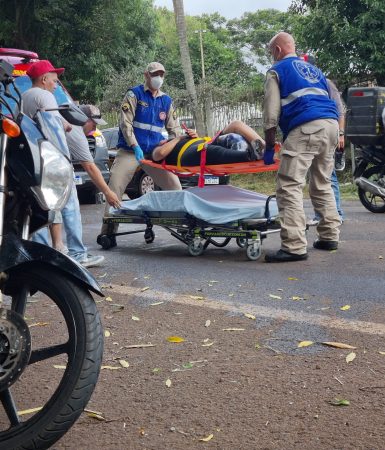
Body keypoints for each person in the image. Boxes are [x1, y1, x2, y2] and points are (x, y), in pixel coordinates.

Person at [262, 32, 341, 263]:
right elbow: (331, 99)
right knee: (322, 182)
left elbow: (270, 113)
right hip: (331, 126)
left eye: (270, 52)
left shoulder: (277, 71)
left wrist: (269, 146)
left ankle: (294, 246)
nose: (271, 56)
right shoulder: (316, 71)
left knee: (289, 185)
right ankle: (329, 236)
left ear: (277, 50)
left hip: (305, 127)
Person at [22, 60, 104, 268]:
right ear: (44, 79)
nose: (56, 84)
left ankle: (43, 256)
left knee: (40, 208)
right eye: (54, 80)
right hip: (53, 161)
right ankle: (77, 253)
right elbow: (54, 132)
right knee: (69, 205)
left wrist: (63, 122)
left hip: (35, 161)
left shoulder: (25, 97)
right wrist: (65, 161)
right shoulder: (45, 96)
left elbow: (50, 122)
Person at [99, 62, 182, 243]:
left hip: (153, 153)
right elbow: (125, 123)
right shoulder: (134, 94)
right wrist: (135, 145)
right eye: (154, 74)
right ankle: (108, 231)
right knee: (115, 187)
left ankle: (182, 226)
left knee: (174, 186)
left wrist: (171, 143)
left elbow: (175, 130)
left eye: (161, 74)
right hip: (131, 151)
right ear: (146, 75)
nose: (158, 77)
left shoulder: (166, 101)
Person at [53, 104, 122, 254]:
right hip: (56, 168)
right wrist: (108, 192)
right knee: (71, 208)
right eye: (94, 124)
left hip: (48, 166)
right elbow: (90, 167)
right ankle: (77, 252)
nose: (94, 130)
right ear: (83, 119)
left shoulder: (61, 120)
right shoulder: (76, 131)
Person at [302, 55, 345, 225]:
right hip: (310, 132)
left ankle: (336, 213)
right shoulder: (306, 85)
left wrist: (341, 134)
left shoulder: (325, 82)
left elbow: (340, 110)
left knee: (327, 175)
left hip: (327, 131)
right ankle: (323, 215)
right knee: (317, 176)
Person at [150, 120, 265, 165]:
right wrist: (179, 138)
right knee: (209, 151)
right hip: (186, 155)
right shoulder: (158, 148)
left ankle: (264, 147)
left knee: (235, 125)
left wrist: (194, 136)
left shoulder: (176, 140)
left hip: (205, 142)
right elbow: (159, 155)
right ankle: (250, 156)